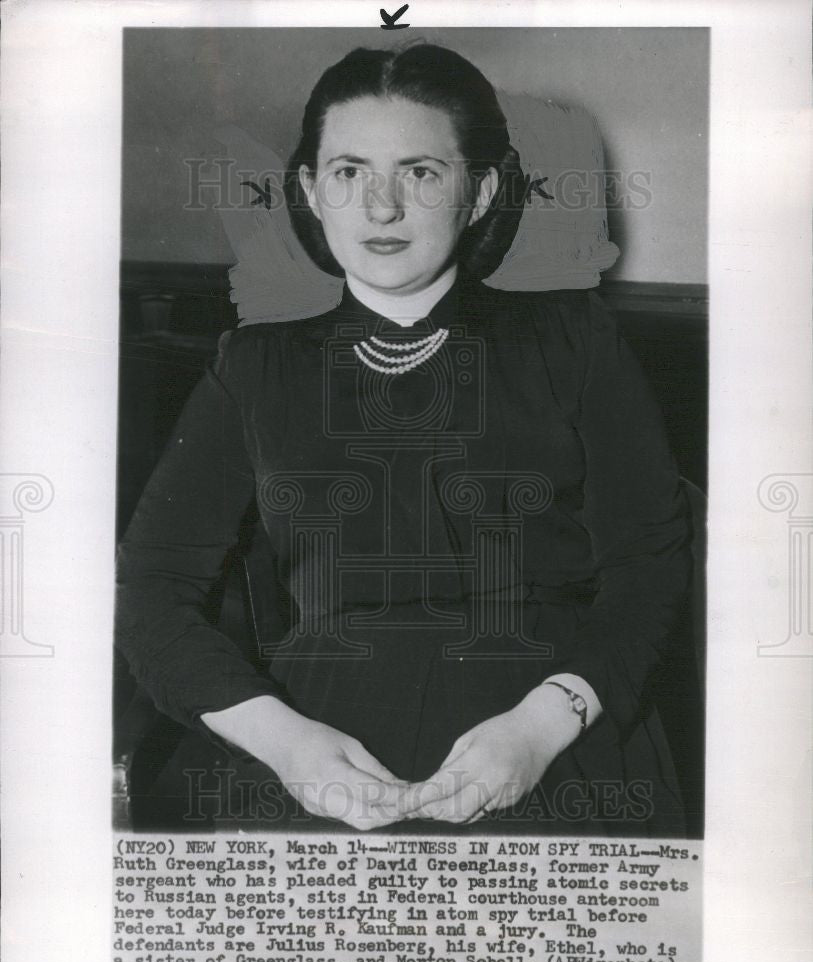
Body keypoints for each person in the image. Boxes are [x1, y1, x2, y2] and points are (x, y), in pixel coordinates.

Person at [116, 43, 692, 835]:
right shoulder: (252, 367)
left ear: (480, 191)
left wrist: (544, 724)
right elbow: (151, 591)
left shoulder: (573, 342)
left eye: (420, 172)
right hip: (317, 744)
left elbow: (649, 562)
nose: (380, 207)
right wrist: (283, 743)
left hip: (554, 730)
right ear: (312, 192)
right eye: (349, 172)